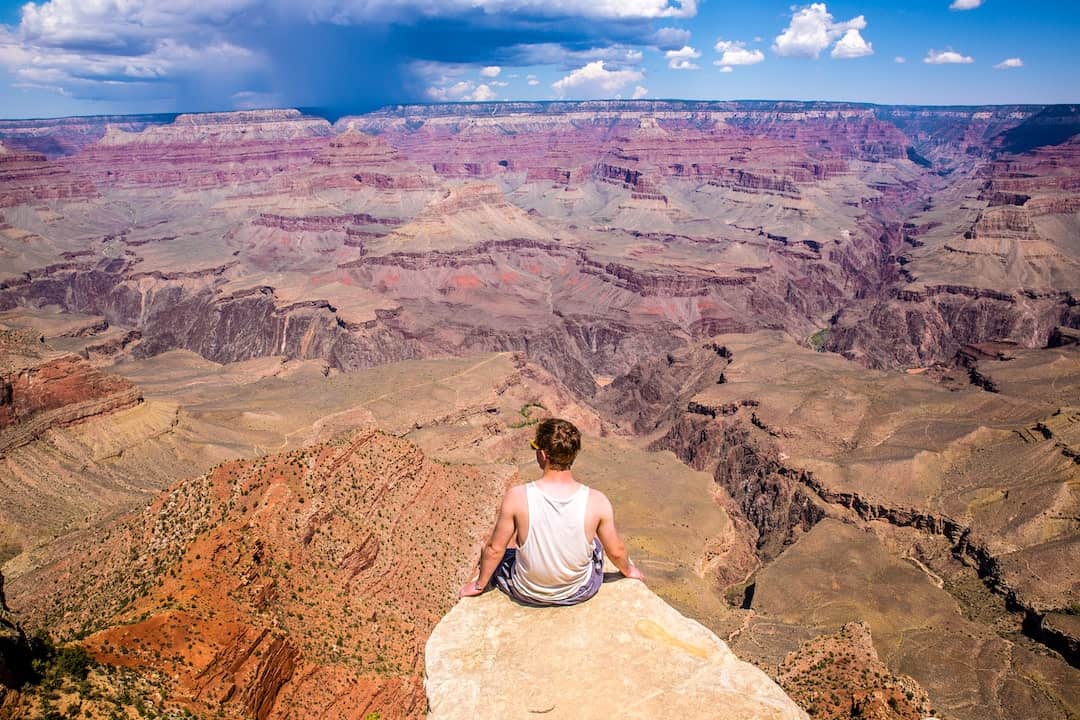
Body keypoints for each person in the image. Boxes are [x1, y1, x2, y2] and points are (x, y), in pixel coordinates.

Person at [459, 417, 644, 606]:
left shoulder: (517, 496)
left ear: (543, 455)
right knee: (596, 544)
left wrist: (479, 585)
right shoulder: (597, 501)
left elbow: (494, 549)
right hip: (578, 591)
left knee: (509, 552)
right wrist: (629, 571)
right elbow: (616, 551)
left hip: (526, 590)